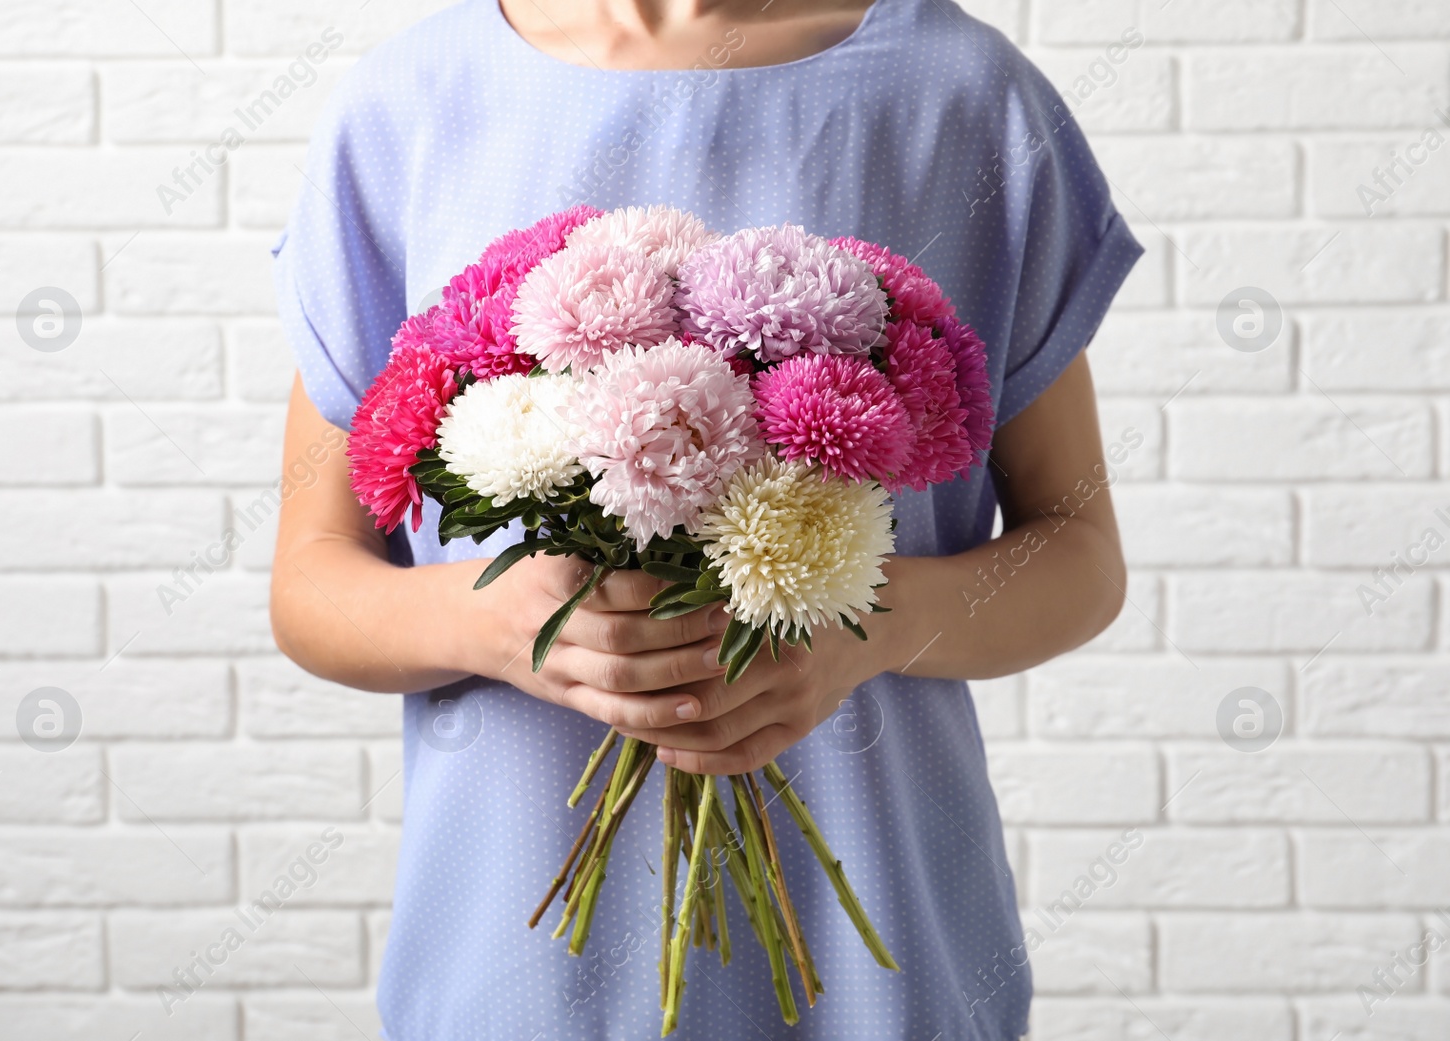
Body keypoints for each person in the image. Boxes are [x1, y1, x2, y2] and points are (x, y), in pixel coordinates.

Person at [267, 0, 1143, 1037]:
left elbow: (1077, 552)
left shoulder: (962, 96)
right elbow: (311, 580)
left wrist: (874, 626)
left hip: (882, 964)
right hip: (516, 970)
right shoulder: (406, 105)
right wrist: (503, 627)